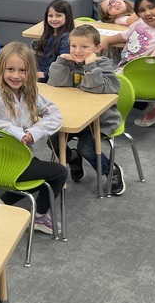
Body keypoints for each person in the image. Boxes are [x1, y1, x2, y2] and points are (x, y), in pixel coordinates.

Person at [0, 42, 66, 236]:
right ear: (1, 69)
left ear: (31, 72)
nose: (16, 76)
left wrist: (35, 132)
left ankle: (1, 203)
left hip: (16, 158)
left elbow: (55, 114)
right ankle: (39, 217)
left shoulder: (30, 95)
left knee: (37, 170)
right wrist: (10, 129)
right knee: (59, 173)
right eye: (10, 69)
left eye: (23, 70)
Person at [48, 25, 125, 195]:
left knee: (86, 148)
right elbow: (56, 83)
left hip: (102, 120)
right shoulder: (69, 63)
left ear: (97, 48)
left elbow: (96, 89)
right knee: (52, 141)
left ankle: (110, 170)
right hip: (74, 118)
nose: (77, 51)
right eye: (74, 46)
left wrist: (90, 66)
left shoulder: (103, 64)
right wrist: (61, 61)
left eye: (84, 46)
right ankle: (74, 159)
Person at [34, 0, 73, 82]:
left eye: (58, 15)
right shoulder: (49, 34)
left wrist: (45, 74)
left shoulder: (66, 39)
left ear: (67, 17)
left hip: (54, 78)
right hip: (43, 73)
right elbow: (41, 58)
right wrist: (37, 71)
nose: (54, 19)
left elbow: (63, 64)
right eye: (50, 16)